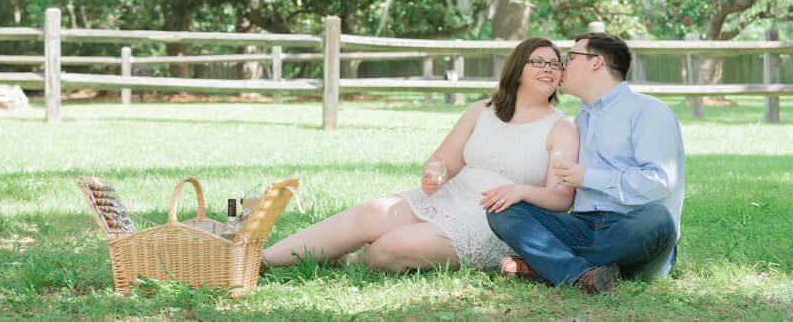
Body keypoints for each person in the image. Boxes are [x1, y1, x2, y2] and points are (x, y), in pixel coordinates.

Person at [262, 37, 579, 272]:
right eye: (538, 62)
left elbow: (561, 199)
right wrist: (436, 174)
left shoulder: (561, 127)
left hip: (492, 222)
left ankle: (347, 260)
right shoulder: (481, 111)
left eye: (555, 64)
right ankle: (258, 260)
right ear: (518, 69)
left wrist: (520, 190)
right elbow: (444, 161)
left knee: (395, 245)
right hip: (449, 197)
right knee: (372, 212)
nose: (549, 69)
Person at [487, 32, 684, 294]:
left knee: (657, 218)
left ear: (596, 63)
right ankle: (582, 275)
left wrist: (588, 177)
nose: (561, 67)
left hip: (632, 229)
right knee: (501, 209)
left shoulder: (649, 111)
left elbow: (660, 182)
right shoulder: (580, 119)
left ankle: (551, 266)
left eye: (569, 58)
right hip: (582, 226)